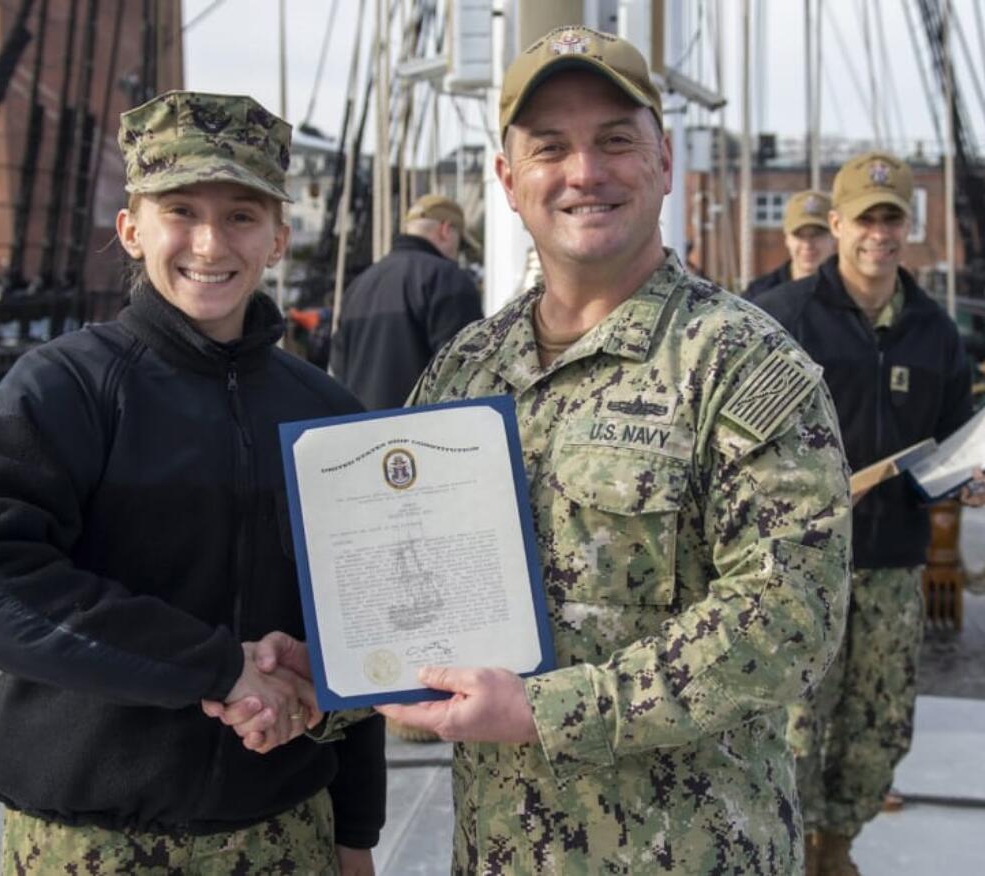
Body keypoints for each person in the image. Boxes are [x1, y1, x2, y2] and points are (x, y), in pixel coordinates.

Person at [214, 27, 851, 874]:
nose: (585, 172)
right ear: (510, 183)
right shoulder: (466, 369)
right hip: (504, 850)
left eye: (616, 142)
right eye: (551, 148)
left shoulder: (742, 363)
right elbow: (410, 592)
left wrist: (550, 711)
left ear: (663, 164)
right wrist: (324, 680)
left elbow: (789, 618)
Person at [0, 91, 385, 874]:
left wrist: (357, 837)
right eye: (180, 210)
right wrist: (216, 667)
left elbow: (362, 635)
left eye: (242, 214)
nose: (210, 243)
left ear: (278, 235)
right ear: (131, 230)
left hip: (285, 840)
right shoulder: (62, 389)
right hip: (90, 846)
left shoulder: (327, 415)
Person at [749, 152, 985, 875]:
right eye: (866, 219)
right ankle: (789, 856)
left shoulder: (933, 330)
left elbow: (956, 440)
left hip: (893, 564)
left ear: (907, 227)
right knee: (795, 726)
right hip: (803, 566)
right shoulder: (783, 322)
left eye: (892, 219)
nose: (880, 234)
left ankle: (836, 850)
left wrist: (974, 481)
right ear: (837, 225)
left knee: (878, 725)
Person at [330, 193, 483, 410]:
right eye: (460, 245)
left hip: (365, 435)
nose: (457, 253)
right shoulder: (448, 279)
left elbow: (339, 367)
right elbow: (465, 372)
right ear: (446, 230)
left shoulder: (358, 286)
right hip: (423, 436)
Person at [745, 189, 836, 296]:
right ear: (787, 238)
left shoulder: (852, 292)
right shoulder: (761, 293)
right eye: (799, 235)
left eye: (816, 234)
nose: (807, 244)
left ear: (834, 236)